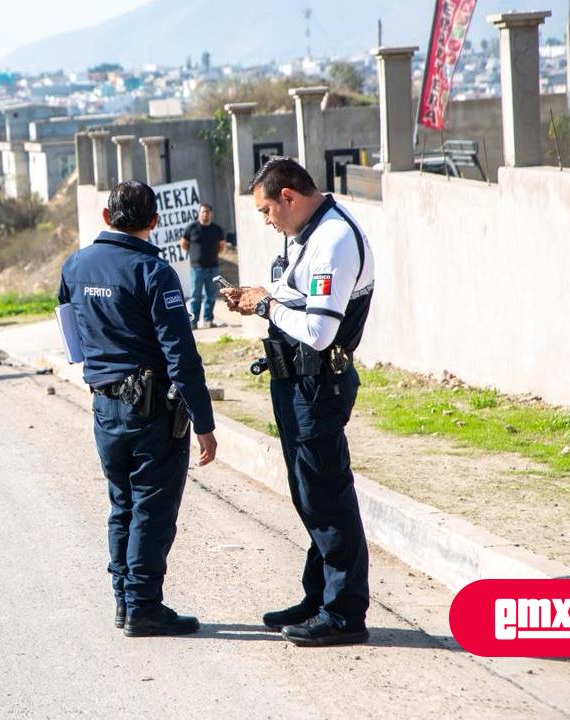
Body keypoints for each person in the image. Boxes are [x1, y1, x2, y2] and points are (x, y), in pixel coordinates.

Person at [221, 158, 375, 647]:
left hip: (317, 386)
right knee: (310, 494)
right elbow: (298, 299)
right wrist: (261, 295)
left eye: (268, 210)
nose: (267, 221)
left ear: (289, 196)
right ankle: (319, 598)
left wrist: (265, 305)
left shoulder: (332, 240)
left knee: (328, 497)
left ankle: (345, 613)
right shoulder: (306, 235)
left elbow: (318, 329)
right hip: (295, 384)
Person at [58, 180, 218, 637]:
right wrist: (204, 423)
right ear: (154, 221)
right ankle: (144, 606)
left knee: (122, 504)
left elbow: (71, 336)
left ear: (107, 218)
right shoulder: (155, 271)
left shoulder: (75, 265)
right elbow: (180, 355)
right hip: (153, 414)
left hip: (105, 407)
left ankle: (124, 604)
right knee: (151, 506)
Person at [180, 203, 226, 330]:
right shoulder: (191, 228)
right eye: (203, 212)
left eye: (207, 212)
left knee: (211, 296)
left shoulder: (217, 229)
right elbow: (184, 244)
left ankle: (208, 320)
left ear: (211, 214)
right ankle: (193, 323)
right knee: (195, 296)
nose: (205, 214)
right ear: (199, 213)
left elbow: (221, 246)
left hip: (213, 267)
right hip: (196, 268)